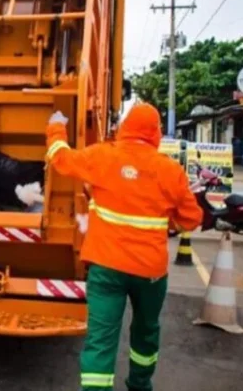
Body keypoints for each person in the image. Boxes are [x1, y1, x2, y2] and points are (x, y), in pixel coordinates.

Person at [45, 102, 203, 391]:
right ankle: (140, 384)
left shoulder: (103, 157)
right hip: (150, 273)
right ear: (156, 133)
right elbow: (192, 219)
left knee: (101, 339)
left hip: (106, 269)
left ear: (126, 127)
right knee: (145, 332)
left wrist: (56, 125)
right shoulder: (170, 171)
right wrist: (168, 222)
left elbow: (60, 158)